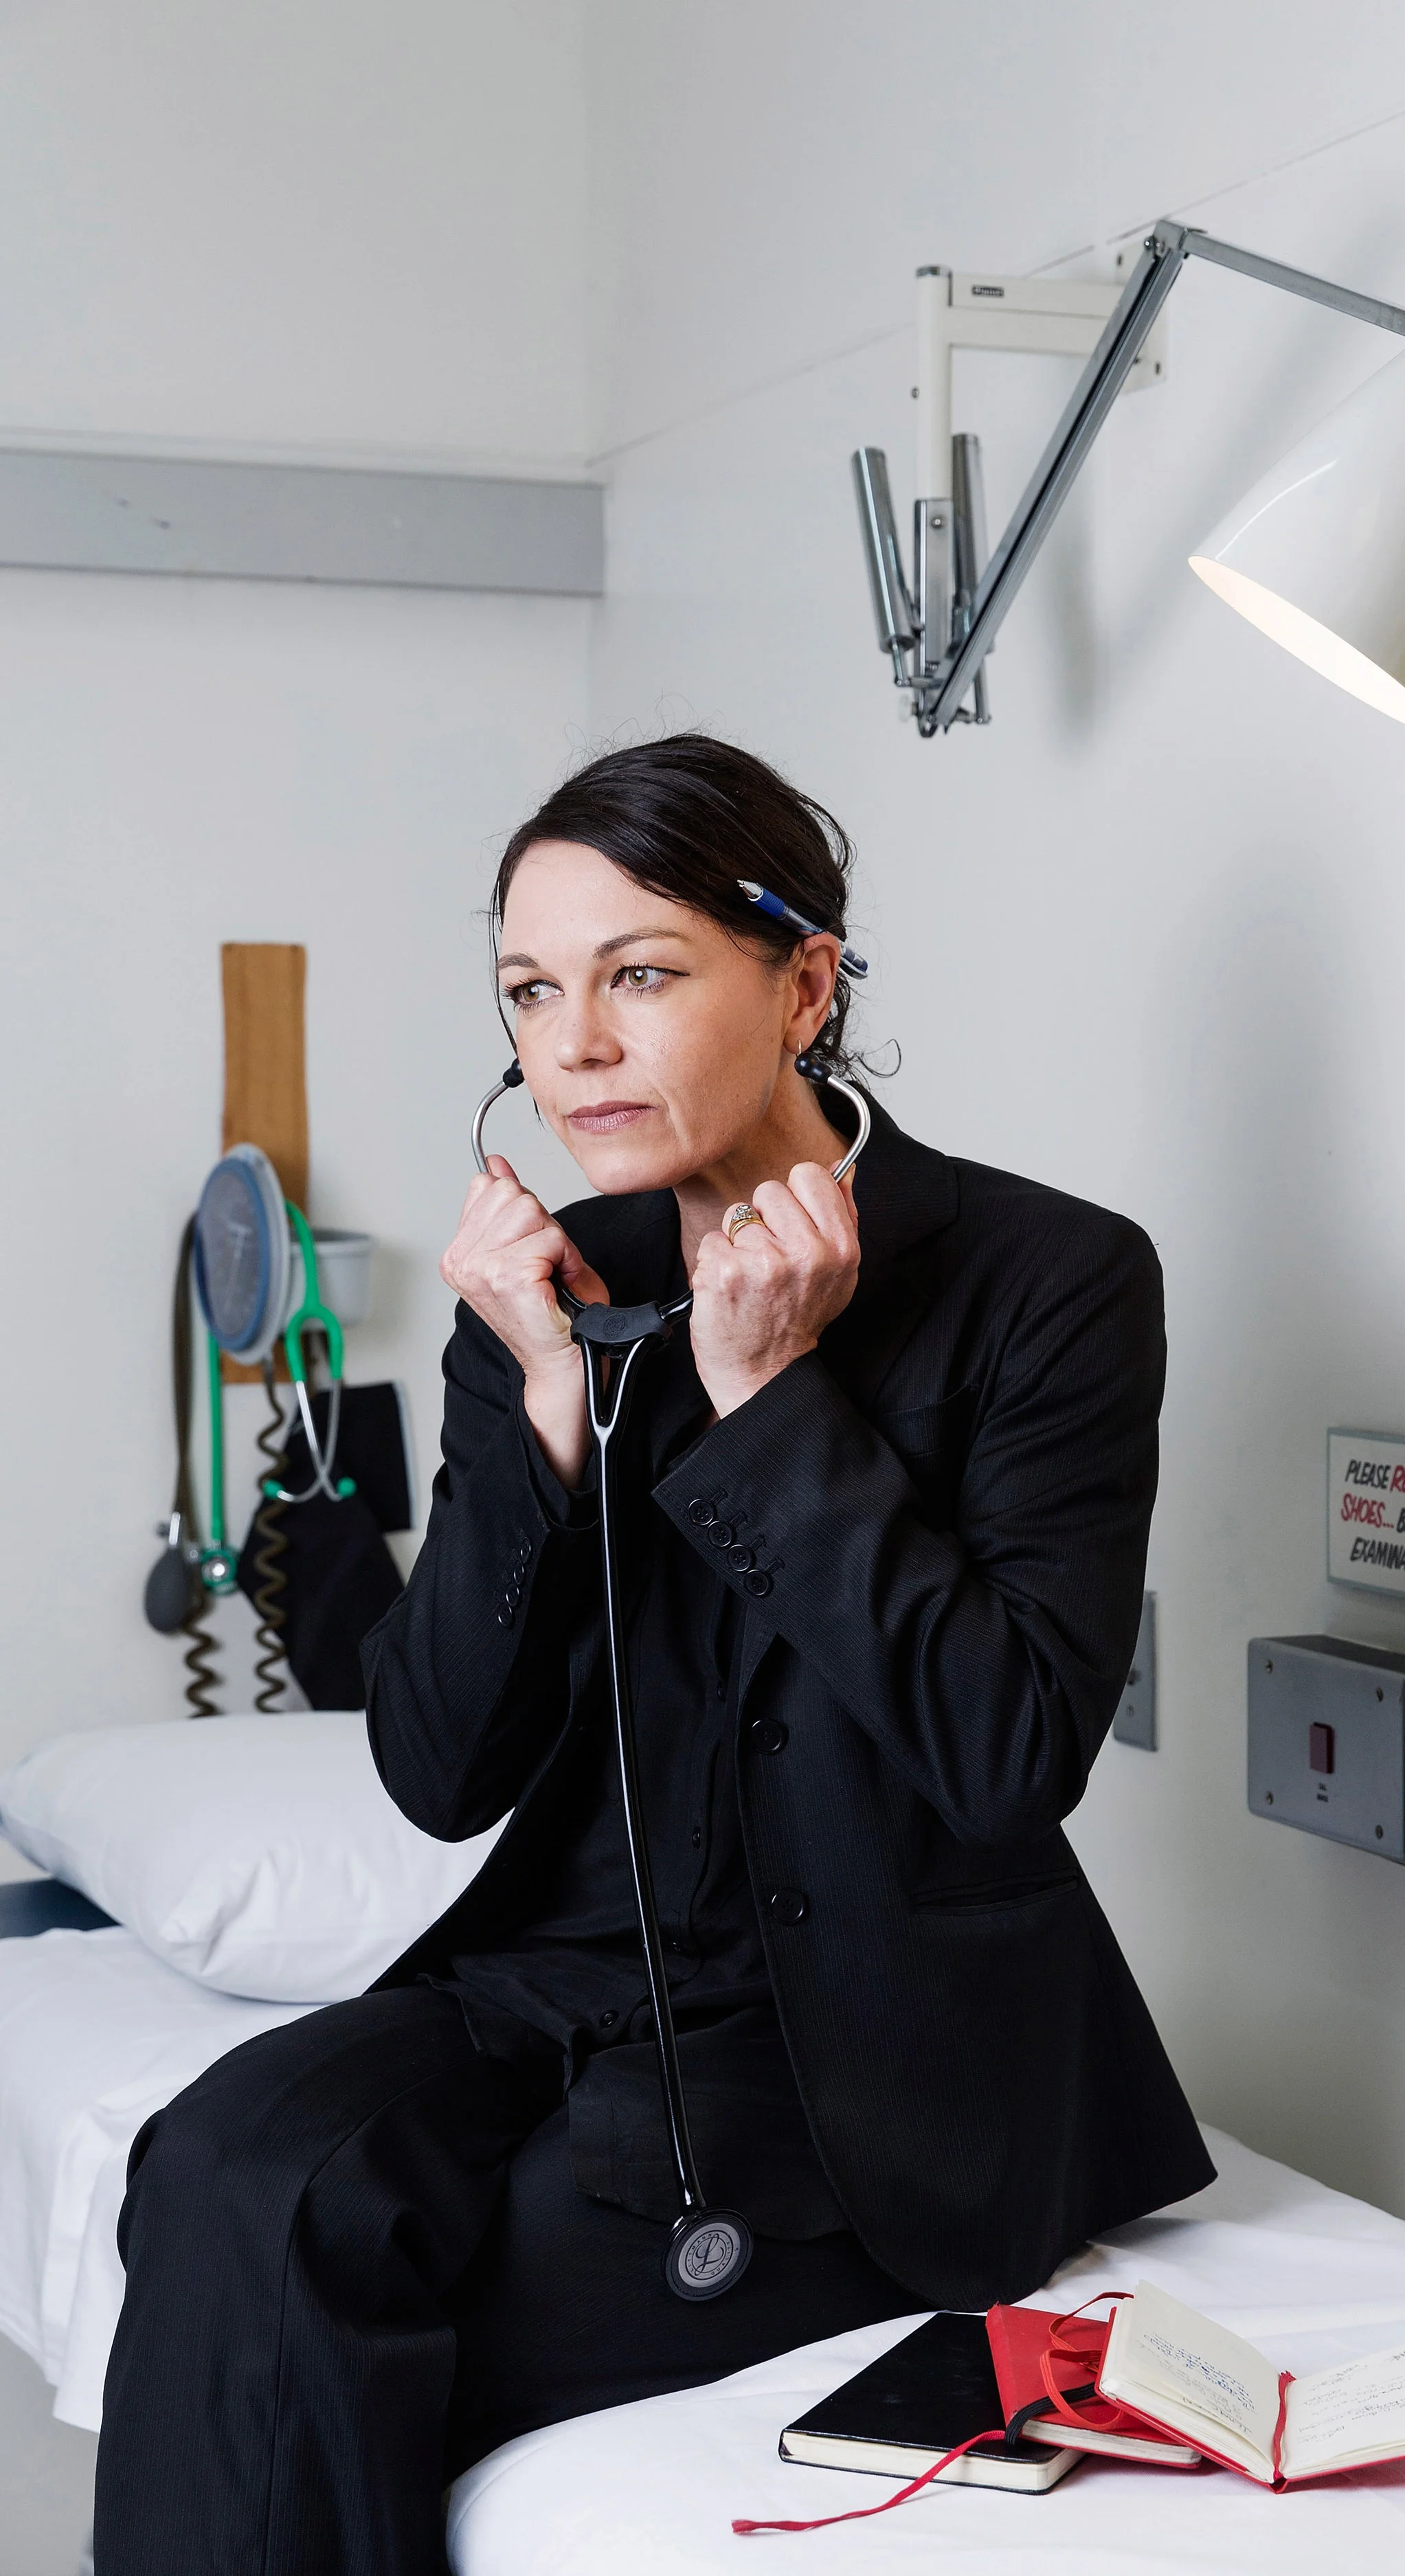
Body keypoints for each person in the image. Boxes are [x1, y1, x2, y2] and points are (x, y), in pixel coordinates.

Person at [94, 734, 1212, 2575]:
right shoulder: (556, 1284)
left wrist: (769, 1399)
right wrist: (537, 1406)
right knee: (222, 2164)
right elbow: (439, 1763)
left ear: (805, 981)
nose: (573, 1045)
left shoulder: (1050, 1279)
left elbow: (1009, 1751)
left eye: (640, 972)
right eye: (532, 990)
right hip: (542, 1984)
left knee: (340, 2309)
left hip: (856, 2047)